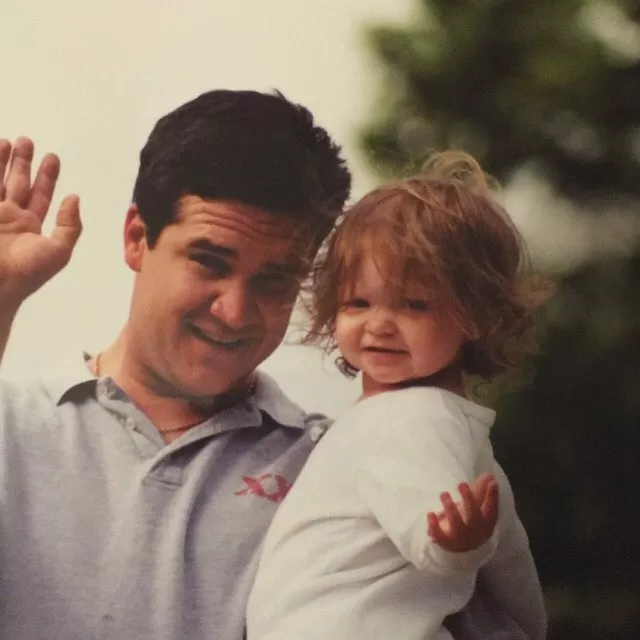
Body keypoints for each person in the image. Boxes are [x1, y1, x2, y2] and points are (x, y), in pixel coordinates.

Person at [0, 90, 539, 640]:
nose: (234, 310)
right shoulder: (14, 428)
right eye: (210, 261)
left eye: (275, 279)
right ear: (137, 237)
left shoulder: (345, 465)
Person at [246, 152, 549, 640]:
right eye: (358, 302)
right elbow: (512, 562)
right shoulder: (436, 424)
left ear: (474, 316)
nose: (380, 323)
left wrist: (457, 544)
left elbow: (431, 530)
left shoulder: (411, 417)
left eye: (414, 304)